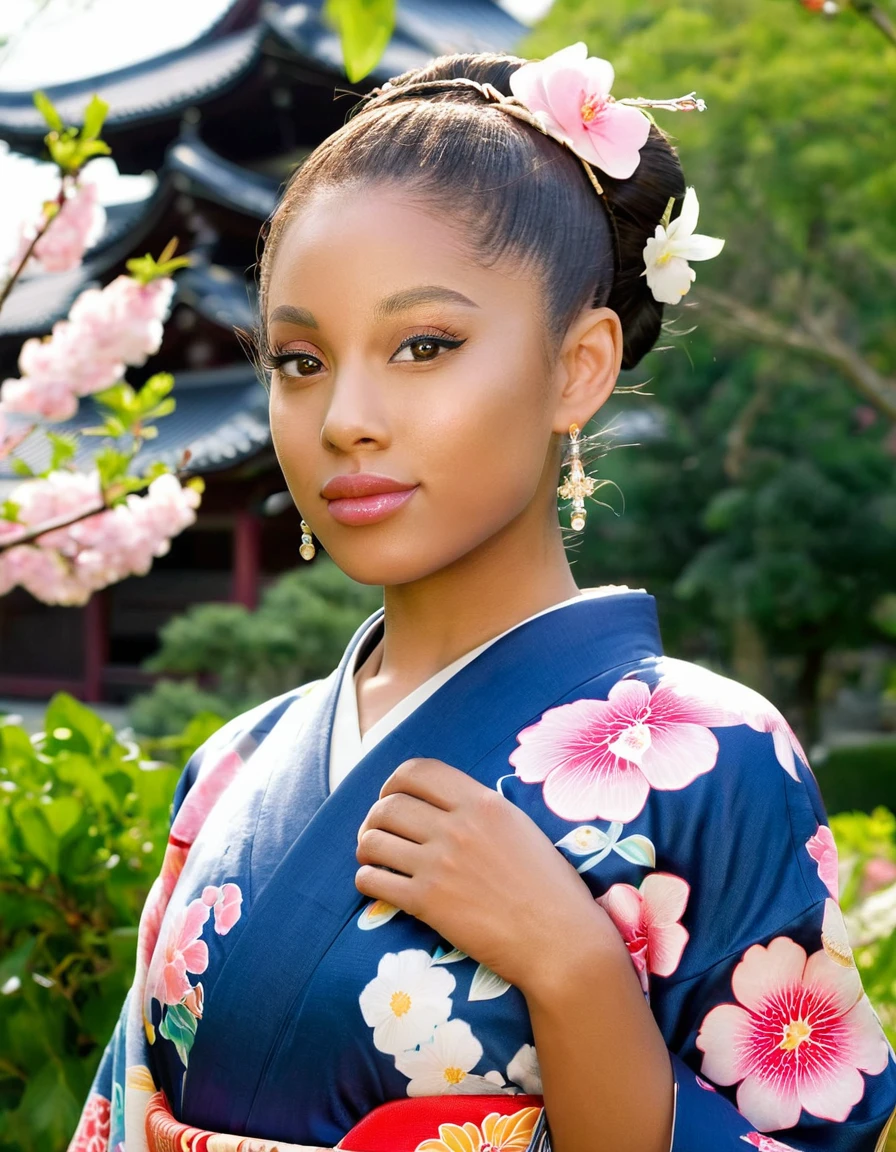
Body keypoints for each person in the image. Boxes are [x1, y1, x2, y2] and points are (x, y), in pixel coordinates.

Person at [68, 43, 896, 1152]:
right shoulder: (228, 769)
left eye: (423, 344)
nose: (344, 417)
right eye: (299, 360)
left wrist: (572, 970)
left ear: (577, 367)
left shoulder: (716, 755)